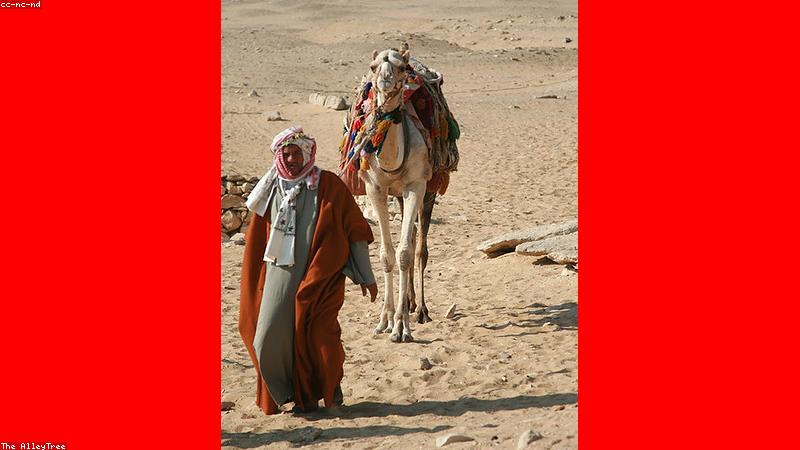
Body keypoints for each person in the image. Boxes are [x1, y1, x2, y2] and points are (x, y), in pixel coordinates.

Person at [238, 126, 378, 415]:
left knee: (317, 336)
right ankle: (285, 391)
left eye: (295, 154)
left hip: (317, 279)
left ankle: (321, 392)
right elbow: (256, 242)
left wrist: (366, 275)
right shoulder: (270, 188)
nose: (289, 160)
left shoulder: (327, 184)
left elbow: (355, 229)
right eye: (285, 154)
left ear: (307, 154)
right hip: (277, 277)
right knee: (264, 337)